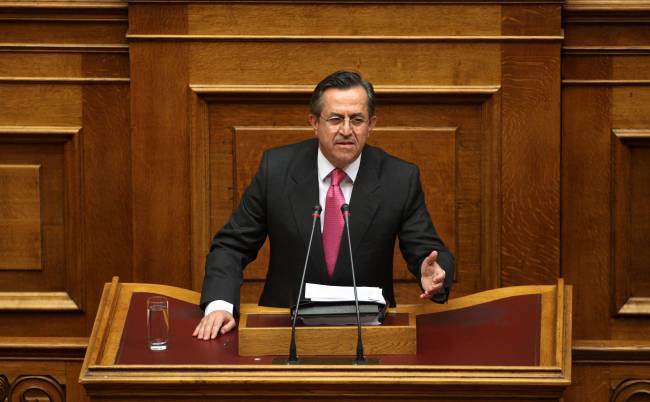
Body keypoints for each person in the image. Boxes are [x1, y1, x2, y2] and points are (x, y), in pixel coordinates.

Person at [193, 71, 454, 340]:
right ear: (314, 123)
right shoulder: (277, 169)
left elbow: (427, 251)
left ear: (371, 124)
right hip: (284, 329)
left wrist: (434, 273)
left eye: (357, 120)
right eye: (335, 119)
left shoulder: (398, 178)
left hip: (369, 331)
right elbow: (232, 245)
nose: (346, 130)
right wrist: (220, 304)